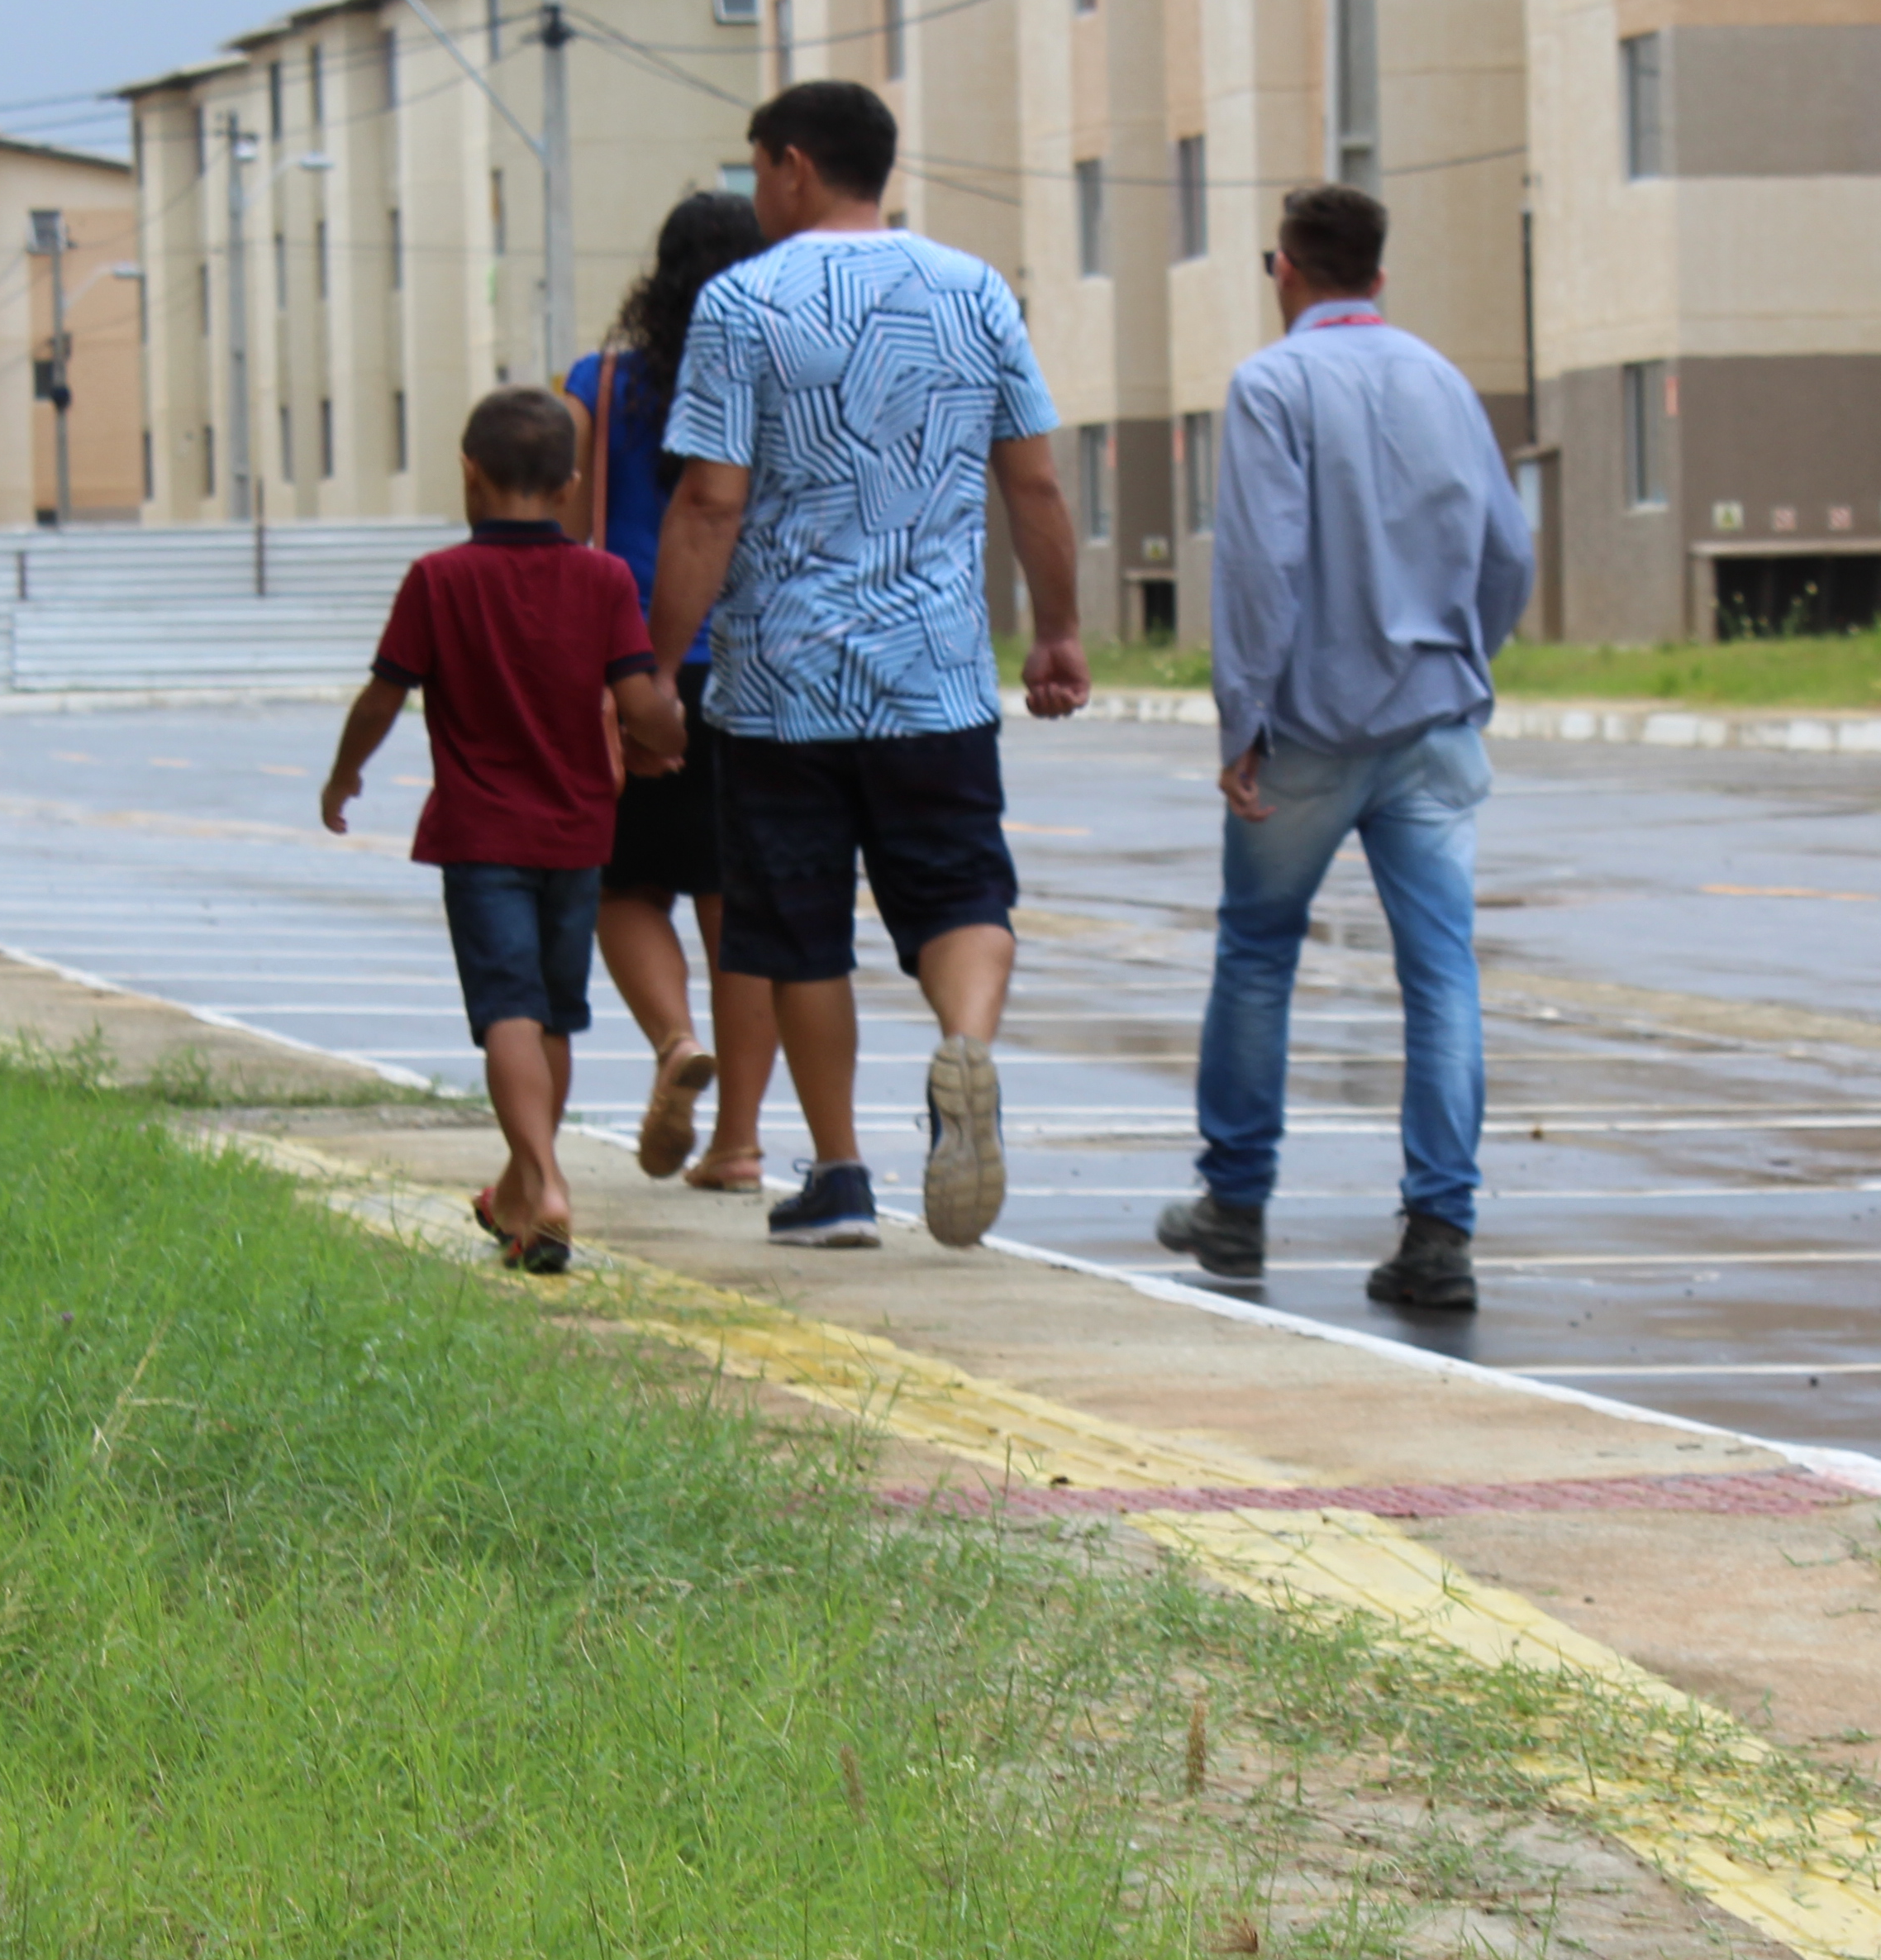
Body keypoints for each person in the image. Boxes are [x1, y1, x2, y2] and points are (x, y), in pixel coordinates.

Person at [650, 79, 1090, 1251]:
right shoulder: (975, 289)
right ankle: (968, 1049)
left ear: (795, 165)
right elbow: (1034, 482)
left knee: (795, 930)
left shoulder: (743, 303)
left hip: (781, 686)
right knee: (961, 893)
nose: (754, 197)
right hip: (935, 675)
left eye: (758, 173)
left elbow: (708, 501)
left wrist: (651, 665)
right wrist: (1058, 630)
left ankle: (839, 1175)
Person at [1156, 184, 1534, 1312]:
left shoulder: (1271, 384)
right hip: (1435, 722)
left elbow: (1262, 567)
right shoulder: (1442, 381)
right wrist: (1466, 658)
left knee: (1260, 952)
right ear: (1378, 273)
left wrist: (1243, 722)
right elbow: (1508, 549)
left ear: (1285, 270)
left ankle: (1234, 1208)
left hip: (1311, 731)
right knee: (1442, 972)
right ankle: (1438, 1232)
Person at [321, 387, 683, 1277]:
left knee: (505, 1015)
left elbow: (383, 696)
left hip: (481, 834)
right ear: (568, 485)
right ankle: (521, 1200)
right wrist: (662, 744)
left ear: (469, 474)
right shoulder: (604, 580)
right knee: (554, 1016)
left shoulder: (439, 580)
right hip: (578, 836)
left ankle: (546, 1184)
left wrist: (346, 773)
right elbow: (643, 706)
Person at [562, 191, 779, 1190]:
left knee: (622, 883)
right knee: (738, 901)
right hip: (752, 659)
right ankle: (737, 1144)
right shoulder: (777, 371)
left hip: (629, 656)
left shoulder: (597, 383)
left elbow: (563, 530)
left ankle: (671, 1038)